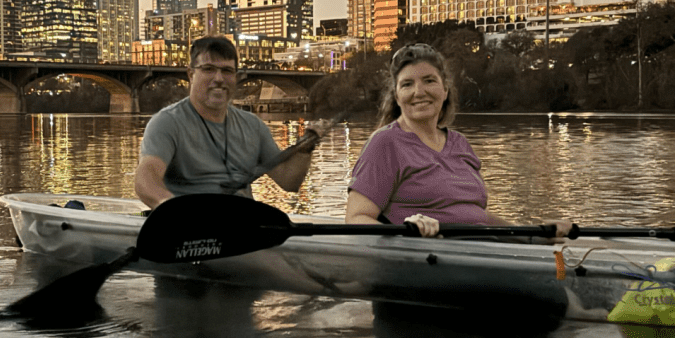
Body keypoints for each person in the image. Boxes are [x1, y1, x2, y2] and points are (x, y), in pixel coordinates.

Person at [345, 42, 571, 239]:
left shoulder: (460, 143)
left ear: (445, 90)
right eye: (407, 84)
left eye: (429, 80)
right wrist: (405, 232)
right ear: (397, 96)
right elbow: (356, 219)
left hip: (479, 254)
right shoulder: (385, 143)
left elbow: (475, 216)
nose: (419, 91)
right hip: (427, 263)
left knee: (561, 271)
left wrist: (534, 235)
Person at [134, 36, 330, 208]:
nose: (219, 79)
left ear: (235, 77)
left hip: (241, 229)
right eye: (209, 69)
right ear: (191, 74)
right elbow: (146, 178)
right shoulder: (166, 123)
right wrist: (173, 208)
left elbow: (289, 182)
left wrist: (306, 148)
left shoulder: (253, 126)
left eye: (227, 71)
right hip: (189, 234)